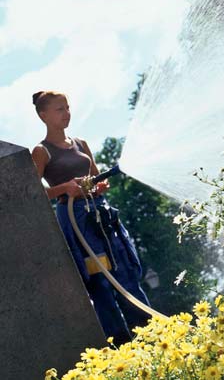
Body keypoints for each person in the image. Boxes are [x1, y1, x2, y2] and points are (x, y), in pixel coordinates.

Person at [30, 90, 152, 343]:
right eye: (59, 109)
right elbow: (33, 193)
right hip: (77, 222)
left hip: (101, 214)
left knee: (124, 269)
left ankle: (151, 333)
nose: (66, 113)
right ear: (43, 115)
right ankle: (120, 343)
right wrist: (65, 187)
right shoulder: (42, 151)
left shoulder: (81, 143)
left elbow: (96, 177)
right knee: (101, 281)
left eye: (67, 107)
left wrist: (99, 188)